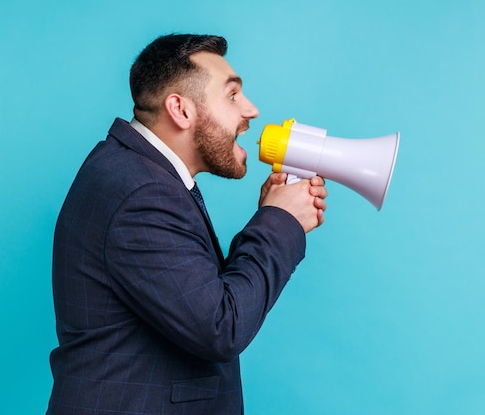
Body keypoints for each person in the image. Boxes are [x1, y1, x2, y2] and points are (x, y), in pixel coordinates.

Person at [46, 33, 327, 415]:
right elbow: (220, 327)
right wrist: (280, 223)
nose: (251, 111)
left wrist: (270, 217)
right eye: (232, 95)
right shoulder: (141, 194)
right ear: (180, 110)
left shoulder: (136, 173)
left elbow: (193, 296)